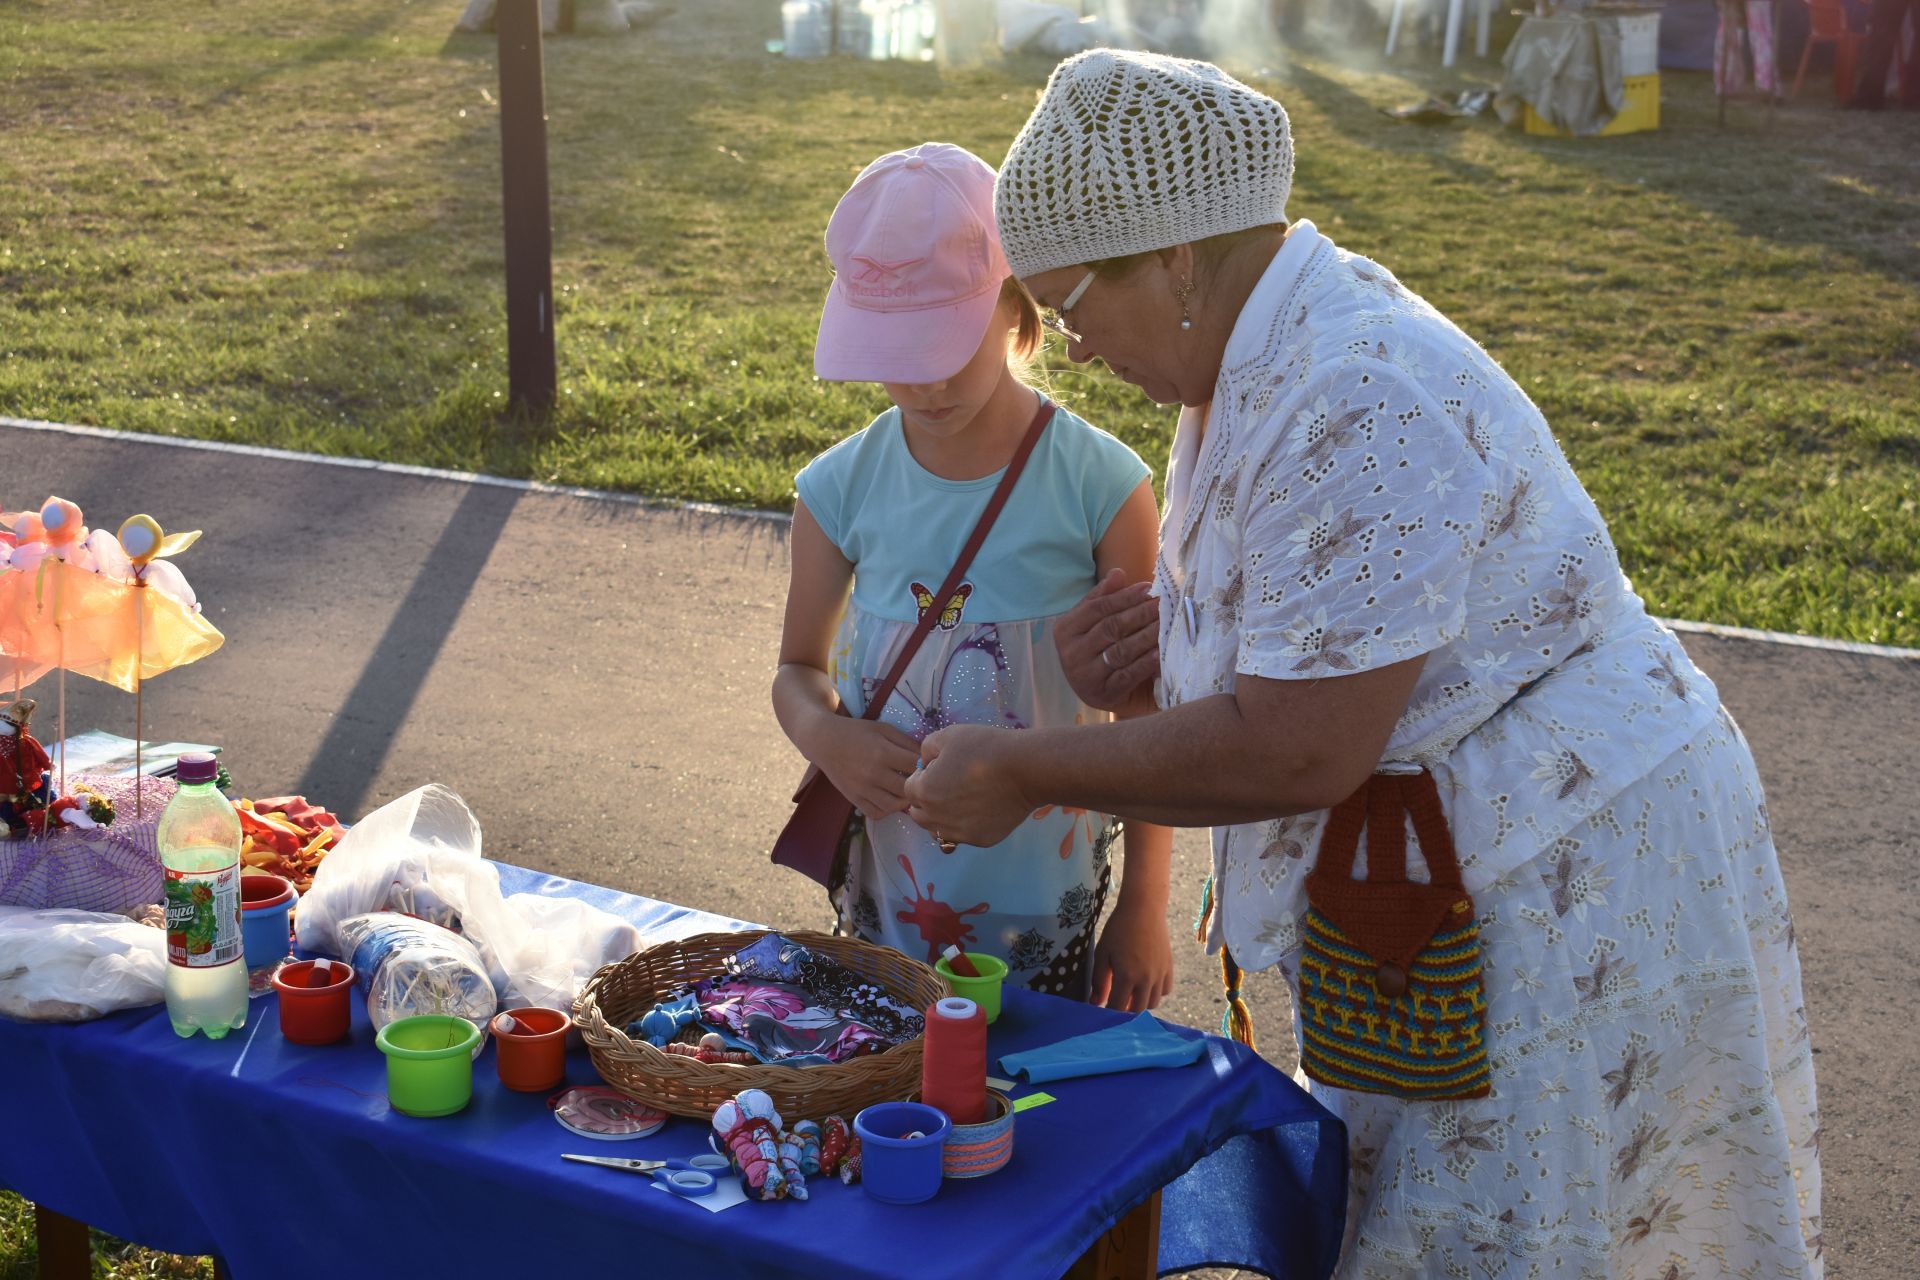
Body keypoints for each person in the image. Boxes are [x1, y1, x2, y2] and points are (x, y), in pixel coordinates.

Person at [904, 51, 1822, 1276]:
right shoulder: (1251, 350)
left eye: (1069, 307)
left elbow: (1303, 745)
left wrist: (1026, 770)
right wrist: (1164, 673)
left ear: (1175, 255)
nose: (1066, 346)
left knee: (1514, 1239)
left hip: (1564, 874)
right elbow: (1323, 660)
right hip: (1452, 869)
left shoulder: (1353, 389)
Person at [772, 142, 1175, 1011]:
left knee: (1032, 1108)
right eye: (897, 350)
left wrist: (1145, 901)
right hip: (888, 892)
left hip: (1050, 902)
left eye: (946, 343)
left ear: (1015, 310)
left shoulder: (1103, 487)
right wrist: (828, 738)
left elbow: (1143, 712)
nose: (926, 380)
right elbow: (795, 671)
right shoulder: (839, 487)